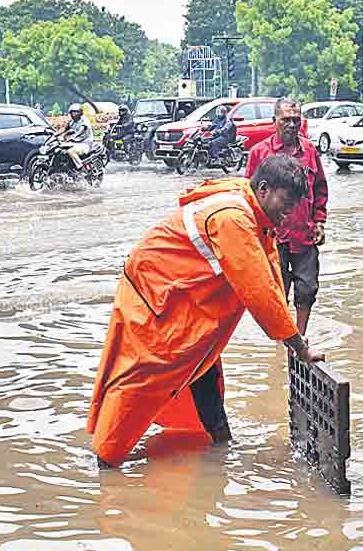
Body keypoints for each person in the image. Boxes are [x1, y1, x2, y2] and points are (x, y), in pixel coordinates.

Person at [87, 155, 325, 466]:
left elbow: (269, 272)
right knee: (144, 378)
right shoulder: (233, 219)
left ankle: (220, 446)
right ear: (264, 189)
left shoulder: (250, 206)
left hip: (179, 299)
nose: (290, 211)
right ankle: (107, 460)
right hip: (158, 300)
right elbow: (258, 291)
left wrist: (291, 334)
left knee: (204, 367)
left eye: (295, 204)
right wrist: (296, 343)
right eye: (287, 200)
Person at [246, 98, 328, 336]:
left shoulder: (310, 151)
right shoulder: (259, 153)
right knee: (276, 290)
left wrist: (320, 221)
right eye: (285, 120)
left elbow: (320, 188)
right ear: (274, 122)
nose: (291, 125)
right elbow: (249, 195)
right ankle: (283, 337)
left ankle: (300, 337)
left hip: (304, 234)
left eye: (296, 120)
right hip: (273, 237)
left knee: (307, 288)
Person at [60, 103, 94, 170]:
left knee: (70, 151)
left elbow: (79, 132)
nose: (74, 114)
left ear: (80, 112)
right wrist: (54, 134)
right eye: (72, 112)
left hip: (85, 144)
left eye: (76, 112)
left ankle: (81, 168)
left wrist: (69, 138)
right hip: (76, 143)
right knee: (60, 150)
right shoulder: (72, 122)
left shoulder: (84, 121)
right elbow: (64, 129)